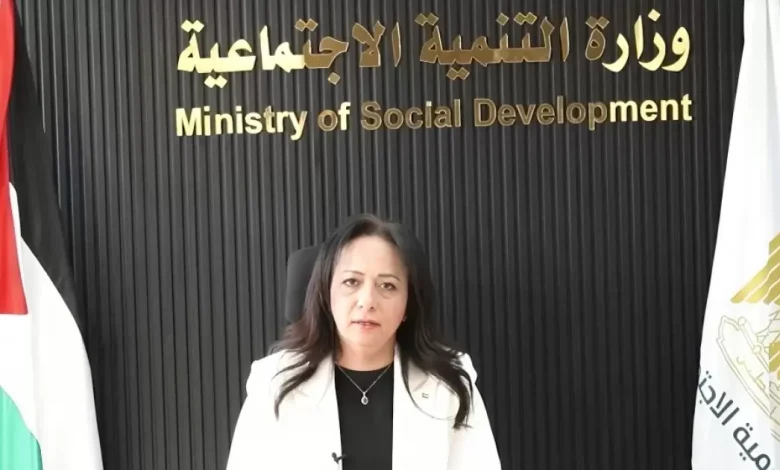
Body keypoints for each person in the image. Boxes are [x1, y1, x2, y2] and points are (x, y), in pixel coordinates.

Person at [226, 214, 501, 469]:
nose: (367, 301)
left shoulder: (448, 384)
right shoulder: (274, 382)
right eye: (351, 282)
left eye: (387, 285)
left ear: (408, 304)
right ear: (326, 293)